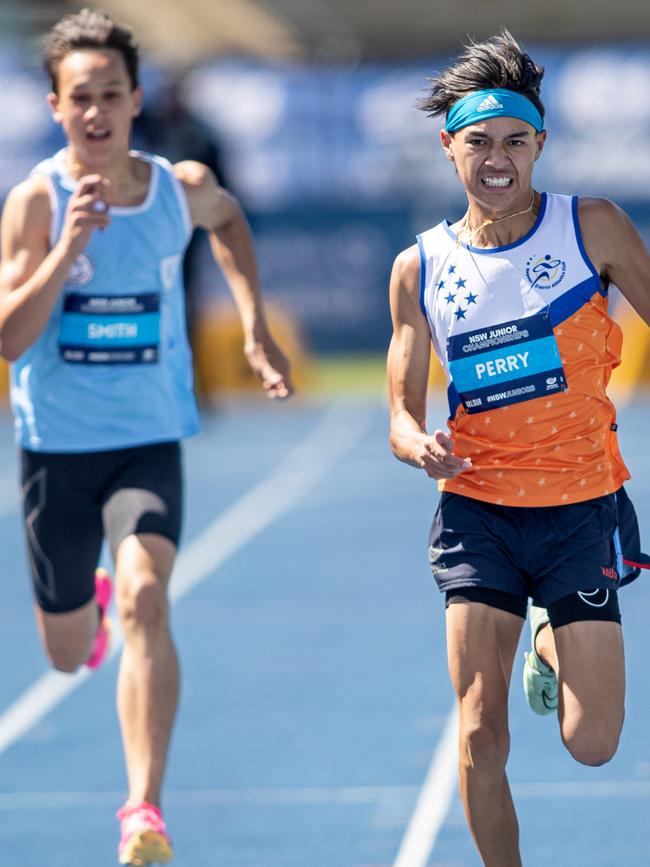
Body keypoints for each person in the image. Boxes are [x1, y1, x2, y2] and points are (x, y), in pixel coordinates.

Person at [0, 8, 292, 866]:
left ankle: (142, 810)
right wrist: (67, 248)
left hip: (146, 439)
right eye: (80, 97)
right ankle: (78, 604)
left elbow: (232, 222)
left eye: (112, 95)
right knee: (63, 654)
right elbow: (9, 337)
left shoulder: (179, 187)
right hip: (56, 447)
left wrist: (250, 325)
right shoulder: (35, 201)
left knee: (147, 600)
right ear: (56, 107)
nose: (97, 112)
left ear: (136, 102)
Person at [387, 30, 649, 866]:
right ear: (449, 147)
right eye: (478, 142)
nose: (497, 159)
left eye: (515, 141)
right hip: (478, 515)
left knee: (593, 741)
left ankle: (547, 633)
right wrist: (415, 444)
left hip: (580, 511)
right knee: (478, 732)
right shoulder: (418, 266)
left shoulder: (593, 228)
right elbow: (398, 409)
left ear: (539, 144)